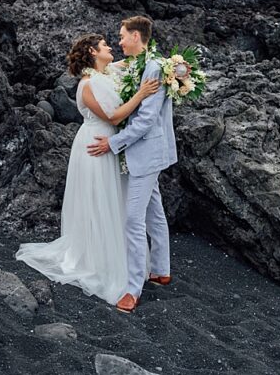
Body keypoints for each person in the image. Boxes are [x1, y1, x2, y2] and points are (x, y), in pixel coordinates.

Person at [15, 34, 160, 304]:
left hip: (111, 145)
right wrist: (141, 94)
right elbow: (114, 116)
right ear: (94, 51)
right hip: (95, 145)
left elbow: (137, 62)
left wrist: (175, 70)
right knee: (97, 201)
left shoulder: (107, 74)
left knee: (113, 200)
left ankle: (123, 258)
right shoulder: (88, 84)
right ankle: (97, 259)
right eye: (105, 45)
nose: (111, 47)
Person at [87, 15, 178, 314]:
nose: (119, 41)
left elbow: (147, 120)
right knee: (154, 209)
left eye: (123, 36)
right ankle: (161, 269)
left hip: (147, 152)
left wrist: (112, 144)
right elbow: (102, 70)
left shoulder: (152, 67)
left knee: (132, 220)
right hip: (147, 152)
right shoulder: (141, 63)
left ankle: (133, 288)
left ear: (137, 37)